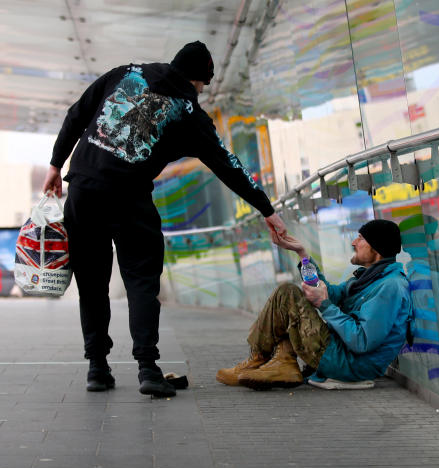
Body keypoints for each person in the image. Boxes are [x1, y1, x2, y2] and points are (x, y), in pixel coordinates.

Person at [42, 41, 287, 397]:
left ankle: (97, 368)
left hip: (84, 190)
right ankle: (147, 369)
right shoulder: (189, 111)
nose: (201, 92)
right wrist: (267, 209)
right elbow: (226, 165)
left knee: (92, 284)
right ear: (201, 79)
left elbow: (76, 114)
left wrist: (55, 163)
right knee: (142, 281)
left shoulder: (125, 73)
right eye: (203, 85)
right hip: (128, 198)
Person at [217, 219, 412, 390]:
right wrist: (302, 254)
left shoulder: (390, 287)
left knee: (289, 295)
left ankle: (263, 361)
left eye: (360, 238)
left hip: (351, 364)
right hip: (341, 353)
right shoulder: (368, 279)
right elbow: (324, 289)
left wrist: (325, 305)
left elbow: (362, 341)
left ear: (376, 248)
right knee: (287, 296)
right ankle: (275, 363)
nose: (353, 242)